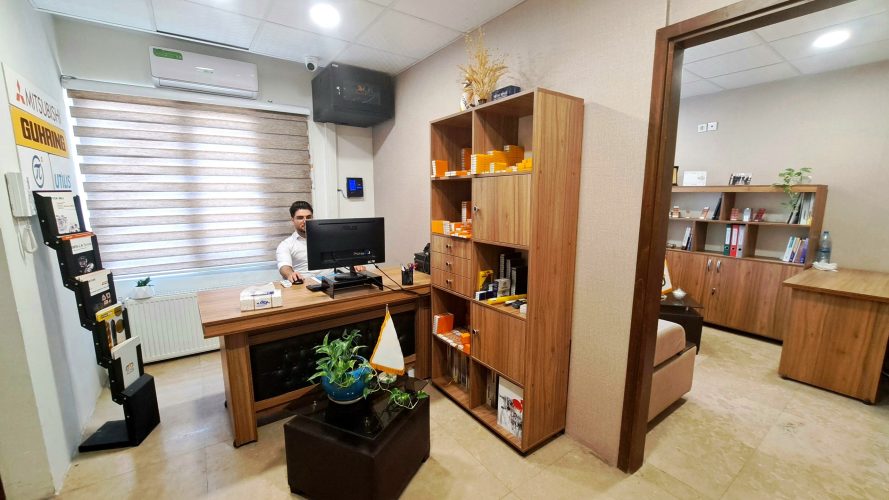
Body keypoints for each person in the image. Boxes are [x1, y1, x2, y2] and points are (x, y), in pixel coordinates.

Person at [276, 201, 364, 283]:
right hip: (305, 283)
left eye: (308, 217)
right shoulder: (285, 245)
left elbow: (344, 256)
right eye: (300, 218)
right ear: (292, 220)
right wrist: (290, 274)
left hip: (332, 281)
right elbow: (284, 266)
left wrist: (354, 264)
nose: (305, 221)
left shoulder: (329, 238)